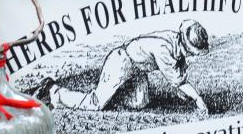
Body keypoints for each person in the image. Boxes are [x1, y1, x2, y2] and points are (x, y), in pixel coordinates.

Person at [39, 20, 210, 114]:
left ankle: (112, 94)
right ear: (187, 46)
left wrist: (182, 90)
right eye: (194, 51)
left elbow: (179, 69)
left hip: (137, 70)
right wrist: (198, 99)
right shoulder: (163, 49)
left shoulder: (176, 42)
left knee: (139, 103)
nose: (194, 54)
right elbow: (177, 80)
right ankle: (55, 91)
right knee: (96, 104)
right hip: (121, 63)